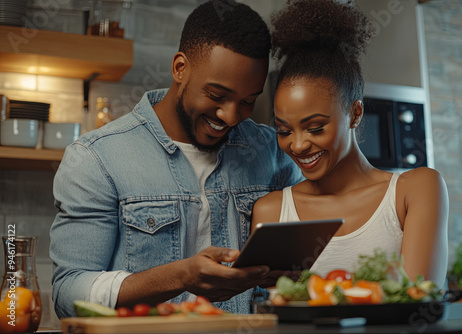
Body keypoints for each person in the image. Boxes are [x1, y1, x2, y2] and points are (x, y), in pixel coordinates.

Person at [49, 0, 303, 318]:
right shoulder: (97, 159)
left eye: (248, 101)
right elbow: (67, 295)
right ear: (180, 68)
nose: (231, 116)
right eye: (216, 96)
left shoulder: (272, 151)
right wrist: (180, 277)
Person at [252, 0, 449, 288]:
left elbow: (417, 299)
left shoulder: (414, 190)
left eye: (315, 128)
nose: (297, 145)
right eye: (283, 130)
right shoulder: (272, 212)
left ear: (355, 113)